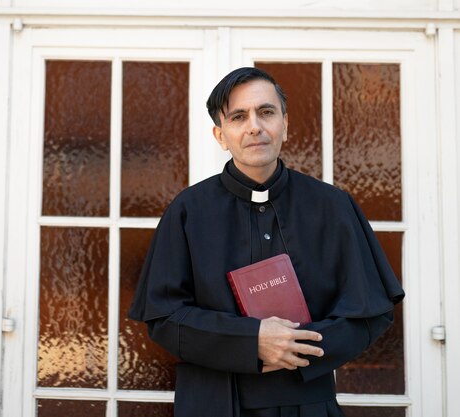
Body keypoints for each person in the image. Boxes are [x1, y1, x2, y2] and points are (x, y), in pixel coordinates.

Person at [128, 67, 405, 417]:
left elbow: (370, 313)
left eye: (266, 112)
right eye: (239, 116)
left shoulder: (333, 206)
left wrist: (295, 348)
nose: (254, 126)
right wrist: (251, 341)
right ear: (221, 135)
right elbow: (164, 317)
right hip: (213, 402)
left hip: (306, 403)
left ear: (285, 124)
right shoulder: (187, 211)